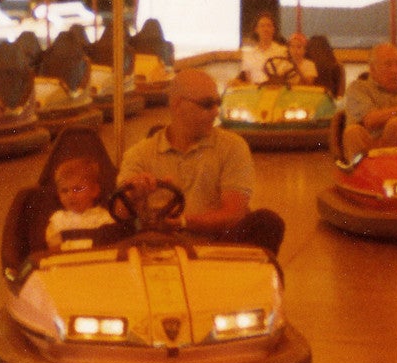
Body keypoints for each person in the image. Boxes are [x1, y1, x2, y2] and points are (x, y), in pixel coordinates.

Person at [118, 69, 285, 255]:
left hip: (217, 248)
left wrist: (184, 222)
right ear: (178, 105)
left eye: (217, 103)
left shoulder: (232, 146)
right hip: (156, 248)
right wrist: (135, 193)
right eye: (207, 105)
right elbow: (118, 211)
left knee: (267, 222)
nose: (215, 112)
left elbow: (234, 213)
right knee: (107, 233)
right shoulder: (140, 154)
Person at [342, 42, 397, 155]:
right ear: (372, 69)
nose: (395, 70)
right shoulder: (358, 88)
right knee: (353, 131)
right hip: (367, 150)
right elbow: (370, 120)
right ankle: (366, 171)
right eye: (388, 64)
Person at [45, 155, 118, 250]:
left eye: (77, 189)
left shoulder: (104, 219)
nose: (70, 195)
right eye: (64, 191)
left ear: (94, 190)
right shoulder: (57, 221)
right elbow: (53, 250)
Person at [239, 14, 286, 83]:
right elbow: (247, 79)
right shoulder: (248, 55)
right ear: (256, 30)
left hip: (276, 91)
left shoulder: (283, 51)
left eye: (269, 26)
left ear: (274, 29)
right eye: (262, 26)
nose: (265, 29)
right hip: (254, 91)